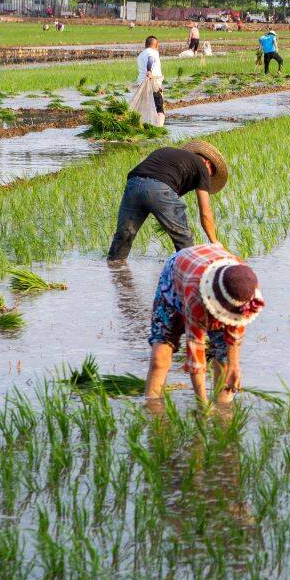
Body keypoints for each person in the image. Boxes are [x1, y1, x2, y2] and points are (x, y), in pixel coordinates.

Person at [145, 243, 264, 405]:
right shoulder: (196, 297)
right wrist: (203, 406)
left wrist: (235, 365)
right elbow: (196, 354)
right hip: (178, 276)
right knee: (160, 357)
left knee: (224, 361)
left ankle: (224, 412)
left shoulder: (245, 286)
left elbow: (235, 333)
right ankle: (153, 410)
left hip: (215, 276)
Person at [107, 140, 228, 261]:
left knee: (124, 235)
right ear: (208, 163)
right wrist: (214, 242)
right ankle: (186, 273)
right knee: (183, 238)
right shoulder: (201, 167)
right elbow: (205, 211)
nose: (208, 178)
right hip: (158, 188)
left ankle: (116, 272)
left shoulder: (169, 154)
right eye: (210, 175)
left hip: (133, 183)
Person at [137, 36, 165, 114]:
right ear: (156, 45)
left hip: (141, 84)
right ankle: (159, 125)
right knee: (159, 109)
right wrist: (149, 71)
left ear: (146, 45)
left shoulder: (141, 55)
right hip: (152, 85)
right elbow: (151, 59)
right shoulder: (153, 52)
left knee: (145, 109)